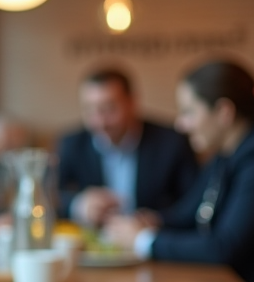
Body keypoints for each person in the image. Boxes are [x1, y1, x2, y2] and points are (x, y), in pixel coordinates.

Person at [104, 60, 254, 282]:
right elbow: (186, 214)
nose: (181, 124)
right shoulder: (226, 157)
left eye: (189, 112)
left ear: (224, 111)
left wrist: (143, 242)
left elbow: (223, 248)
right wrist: (148, 221)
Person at [57, 67, 198, 226]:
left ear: (132, 102)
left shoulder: (172, 142)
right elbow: (52, 196)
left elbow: (193, 202)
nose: (100, 122)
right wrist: (78, 205)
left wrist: (155, 220)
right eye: (89, 110)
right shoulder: (72, 144)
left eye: (109, 109)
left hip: (154, 244)